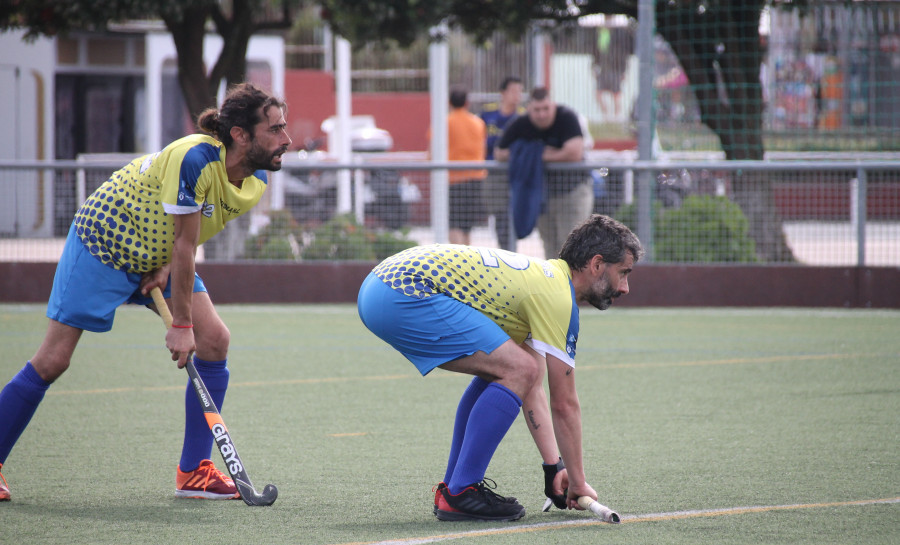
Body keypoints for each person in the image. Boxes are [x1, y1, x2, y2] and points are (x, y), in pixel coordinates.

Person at [0, 83, 292, 502]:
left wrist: (167, 269)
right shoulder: (196, 158)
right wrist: (181, 325)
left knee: (215, 341)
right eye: (276, 129)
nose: (287, 139)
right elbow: (187, 243)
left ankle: (193, 472)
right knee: (53, 360)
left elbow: (191, 236)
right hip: (104, 243)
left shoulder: (255, 180)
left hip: (162, 255)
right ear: (241, 135)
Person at [357, 214, 643, 521]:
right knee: (519, 368)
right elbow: (565, 404)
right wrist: (577, 481)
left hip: (382, 284)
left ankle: (453, 490)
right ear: (597, 265)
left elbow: (531, 381)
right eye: (623, 273)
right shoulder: (558, 298)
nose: (624, 288)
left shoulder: (545, 281)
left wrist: (554, 468)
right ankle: (461, 492)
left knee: (516, 368)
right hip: (403, 290)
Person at [495, 87, 594, 260]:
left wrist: (536, 154)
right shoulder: (521, 123)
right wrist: (530, 153)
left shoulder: (567, 117)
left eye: (546, 109)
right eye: (537, 110)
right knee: (550, 248)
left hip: (572, 193)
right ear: (529, 109)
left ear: (553, 106)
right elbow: (499, 153)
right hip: (543, 198)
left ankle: (574, 287)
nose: (542, 115)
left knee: (572, 248)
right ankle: (555, 286)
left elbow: (574, 153)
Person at [480, 76, 525, 250]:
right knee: (500, 215)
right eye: (514, 91)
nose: (517, 95)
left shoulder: (523, 117)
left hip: (516, 174)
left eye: (520, 91)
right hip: (494, 174)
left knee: (514, 215)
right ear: (503, 93)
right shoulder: (488, 113)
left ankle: (513, 251)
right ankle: (505, 250)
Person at [446, 85, 487, 245]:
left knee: (454, 223)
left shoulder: (445, 123)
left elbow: (432, 151)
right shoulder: (478, 123)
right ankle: (465, 262)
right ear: (467, 103)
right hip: (476, 178)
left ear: (449, 102)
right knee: (466, 225)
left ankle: (456, 261)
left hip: (453, 179)